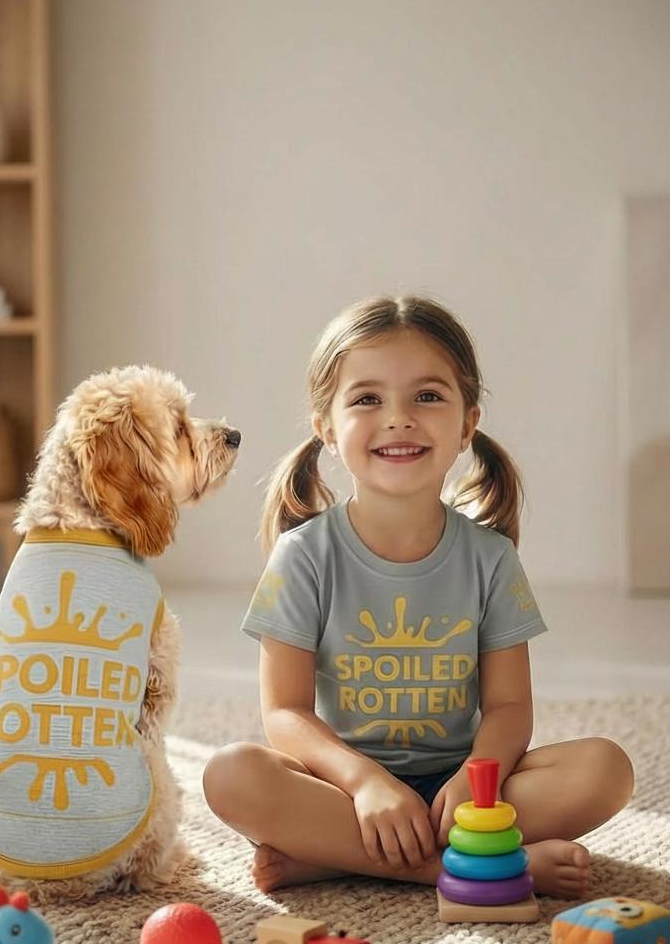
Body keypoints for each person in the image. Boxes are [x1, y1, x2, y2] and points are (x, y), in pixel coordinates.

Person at [203, 295, 634, 896]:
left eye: (427, 396)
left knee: (605, 770)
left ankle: (338, 858)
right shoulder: (303, 556)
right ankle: (482, 869)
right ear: (327, 429)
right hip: (347, 789)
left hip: (468, 788)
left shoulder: (491, 559)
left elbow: (509, 707)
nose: (399, 418)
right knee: (232, 775)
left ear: (467, 425)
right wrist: (367, 783)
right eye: (367, 399)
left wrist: (474, 780)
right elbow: (285, 714)